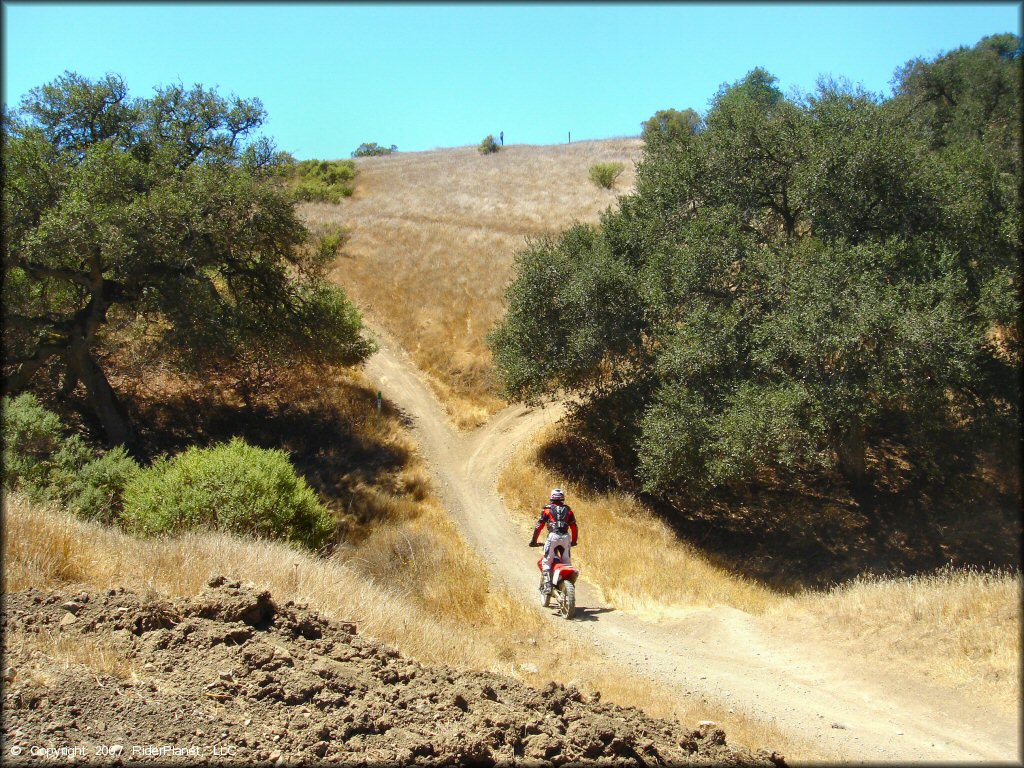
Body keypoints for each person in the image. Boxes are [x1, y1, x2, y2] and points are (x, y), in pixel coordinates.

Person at [529, 488, 578, 595]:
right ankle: (568, 584)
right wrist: (574, 541)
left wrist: (534, 541)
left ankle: (547, 587)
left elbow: (539, 525)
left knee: (546, 562)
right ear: (562, 498)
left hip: (553, 537)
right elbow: (574, 527)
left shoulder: (547, 509)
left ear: (552, 497)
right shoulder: (569, 510)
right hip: (566, 538)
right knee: (566, 563)